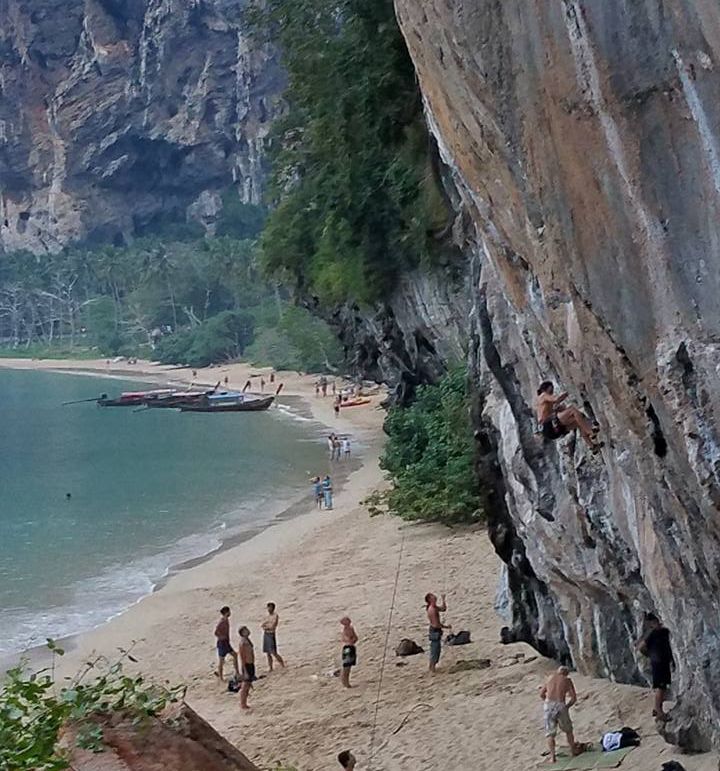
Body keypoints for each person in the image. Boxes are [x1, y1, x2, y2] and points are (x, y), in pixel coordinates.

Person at [535, 381, 601, 450]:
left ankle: (592, 446)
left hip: (551, 432)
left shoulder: (545, 403)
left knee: (580, 419)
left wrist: (560, 405)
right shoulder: (543, 395)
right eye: (551, 390)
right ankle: (589, 431)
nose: (552, 392)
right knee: (572, 410)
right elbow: (556, 399)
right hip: (548, 425)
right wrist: (569, 391)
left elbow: (555, 404)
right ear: (544, 389)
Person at [637, 613, 674, 722]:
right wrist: (651, 655)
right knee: (660, 687)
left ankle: (656, 708)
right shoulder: (652, 633)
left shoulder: (663, 632)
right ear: (651, 624)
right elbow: (641, 647)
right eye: (653, 622)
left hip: (663, 661)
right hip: (658, 662)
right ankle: (659, 711)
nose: (656, 624)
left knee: (663, 686)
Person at [540, 666, 579, 763]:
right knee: (568, 730)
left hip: (548, 704)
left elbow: (541, 694)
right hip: (560, 704)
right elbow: (573, 698)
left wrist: (547, 702)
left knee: (550, 733)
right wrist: (567, 706)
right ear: (566, 673)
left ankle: (553, 757)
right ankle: (573, 751)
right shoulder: (567, 680)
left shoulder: (550, 678)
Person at [425, 593, 451, 673]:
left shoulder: (434, 607)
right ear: (430, 599)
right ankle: (432, 668)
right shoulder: (432, 610)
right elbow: (436, 624)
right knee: (435, 650)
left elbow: (443, 609)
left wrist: (443, 600)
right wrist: (446, 627)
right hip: (434, 632)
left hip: (436, 631)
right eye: (432, 596)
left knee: (437, 650)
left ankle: (433, 668)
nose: (434, 596)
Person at [214, 606, 239, 681]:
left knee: (234, 655)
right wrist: (222, 637)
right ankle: (221, 677)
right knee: (222, 660)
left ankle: (237, 671)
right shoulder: (222, 621)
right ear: (226, 612)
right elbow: (216, 632)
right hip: (222, 643)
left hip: (226, 642)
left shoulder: (226, 620)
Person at [262, 602, 286, 671]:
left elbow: (273, 626)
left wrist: (267, 626)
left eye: (270, 607)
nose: (269, 609)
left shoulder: (275, 615)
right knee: (267, 652)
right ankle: (270, 667)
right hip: (266, 634)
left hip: (271, 634)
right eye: (268, 607)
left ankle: (282, 664)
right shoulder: (267, 616)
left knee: (273, 652)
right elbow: (263, 625)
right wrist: (266, 626)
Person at [238, 625, 256, 709]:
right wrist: (244, 670)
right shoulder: (242, 643)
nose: (248, 631)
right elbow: (242, 657)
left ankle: (244, 702)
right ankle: (243, 703)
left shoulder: (247, 640)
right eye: (246, 630)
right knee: (245, 685)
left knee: (248, 684)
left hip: (251, 663)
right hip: (247, 665)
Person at [340, 617, 358, 688]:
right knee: (346, 666)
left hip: (351, 646)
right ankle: (345, 682)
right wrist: (351, 640)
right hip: (347, 648)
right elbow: (345, 639)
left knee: (349, 666)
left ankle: (346, 682)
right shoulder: (344, 631)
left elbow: (356, 638)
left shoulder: (351, 628)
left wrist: (352, 640)